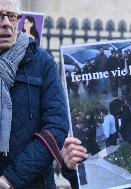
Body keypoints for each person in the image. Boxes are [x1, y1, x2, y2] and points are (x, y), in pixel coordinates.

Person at [0, 0, 69, 188]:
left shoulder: (41, 62)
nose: (6, 22)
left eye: (12, 16)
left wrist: (11, 179)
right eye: (0, 16)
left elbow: (57, 126)